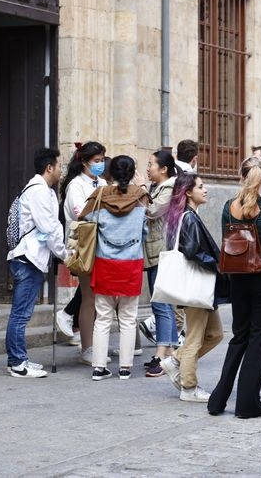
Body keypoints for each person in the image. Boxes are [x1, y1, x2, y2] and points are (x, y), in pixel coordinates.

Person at [208, 156, 261, 419]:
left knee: (239, 335)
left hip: (238, 277)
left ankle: (218, 400)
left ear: (241, 177)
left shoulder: (228, 207)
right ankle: (247, 403)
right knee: (258, 337)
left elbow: (226, 241)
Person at [79, 156, 148, 381]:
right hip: (131, 263)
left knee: (102, 317)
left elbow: (84, 218)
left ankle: (99, 367)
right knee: (128, 317)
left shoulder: (100, 194)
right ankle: (125, 368)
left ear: (110, 173)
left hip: (105, 262)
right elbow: (145, 229)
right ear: (132, 172)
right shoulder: (141, 196)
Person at [160, 173, 226, 401]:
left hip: (202, 288)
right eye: (200, 186)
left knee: (215, 334)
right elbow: (192, 251)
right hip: (196, 287)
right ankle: (189, 387)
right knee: (194, 339)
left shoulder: (187, 216)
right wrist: (218, 265)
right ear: (188, 192)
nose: (205, 190)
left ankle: (175, 360)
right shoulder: (188, 218)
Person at [5, 148, 70, 378]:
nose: (61, 170)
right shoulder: (39, 191)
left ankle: (19, 359)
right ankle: (17, 363)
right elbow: (49, 227)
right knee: (21, 314)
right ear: (49, 168)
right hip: (28, 258)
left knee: (22, 312)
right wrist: (64, 253)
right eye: (59, 166)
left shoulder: (41, 190)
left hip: (30, 257)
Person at [60, 141, 109, 364]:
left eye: (102, 160)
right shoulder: (76, 185)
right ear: (84, 162)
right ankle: (87, 347)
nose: (100, 164)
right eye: (96, 161)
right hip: (84, 246)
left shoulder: (103, 182)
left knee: (99, 298)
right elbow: (82, 213)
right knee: (89, 297)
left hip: (102, 244)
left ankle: (96, 345)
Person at [143, 149, 182, 376]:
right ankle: (170, 352)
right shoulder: (157, 187)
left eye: (151, 164)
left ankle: (162, 355)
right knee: (162, 304)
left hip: (161, 252)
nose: (148, 169)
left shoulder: (169, 188)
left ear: (164, 169)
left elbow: (152, 211)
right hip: (155, 251)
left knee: (161, 304)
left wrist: (140, 189)